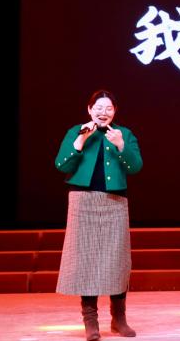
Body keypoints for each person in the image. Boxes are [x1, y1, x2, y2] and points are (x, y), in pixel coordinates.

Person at [54, 90, 143, 341]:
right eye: (99, 108)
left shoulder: (124, 133)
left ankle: (119, 318)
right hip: (83, 201)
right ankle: (90, 320)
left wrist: (121, 145)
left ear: (115, 111)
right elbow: (62, 165)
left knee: (117, 259)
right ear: (89, 109)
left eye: (108, 108)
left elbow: (135, 167)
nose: (103, 113)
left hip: (115, 201)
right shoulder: (77, 131)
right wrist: (80, 141)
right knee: (87, 260)